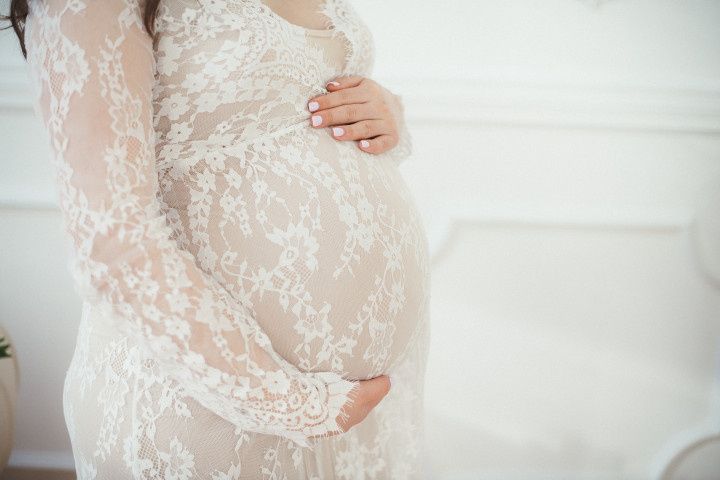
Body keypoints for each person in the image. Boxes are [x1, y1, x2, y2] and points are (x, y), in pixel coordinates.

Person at [5, 0, 431, 477]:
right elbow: (112, 240)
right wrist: (294, 406)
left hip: (351, 418)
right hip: (204, 410)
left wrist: (384, 112)